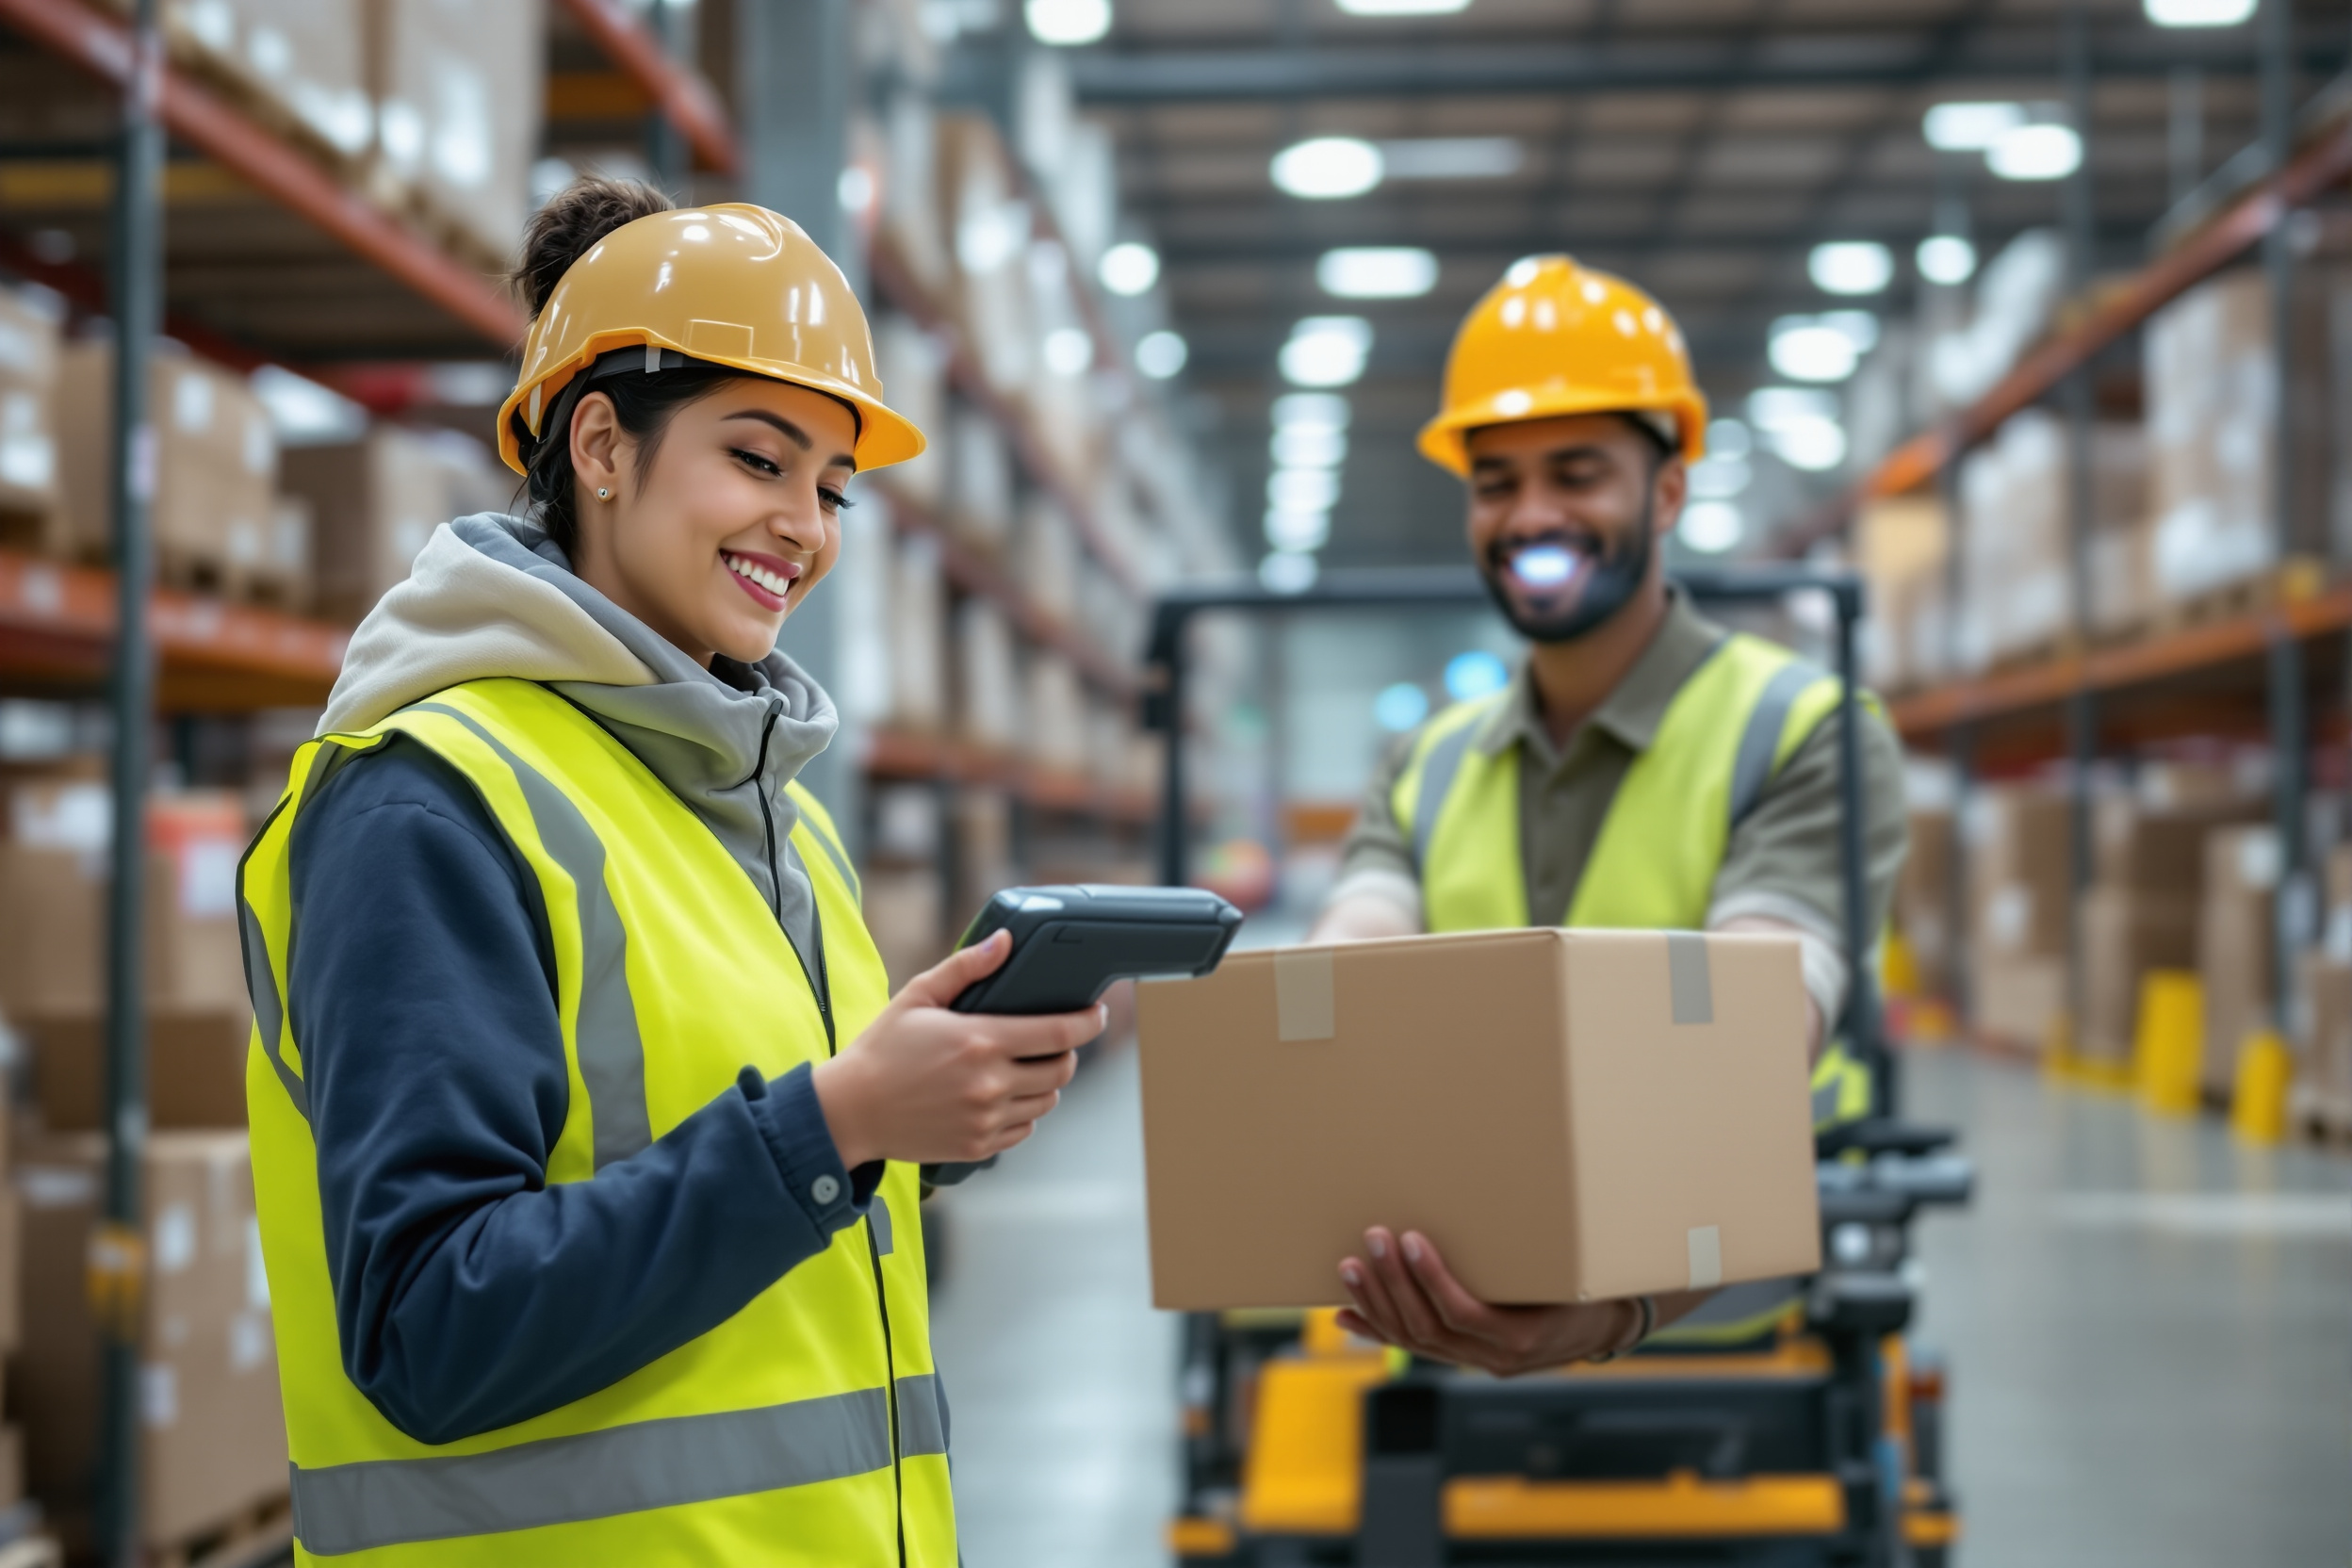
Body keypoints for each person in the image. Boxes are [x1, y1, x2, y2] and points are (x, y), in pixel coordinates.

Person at [239, 178, 1092, 1566]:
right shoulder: (432, 801)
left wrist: (914, 1117)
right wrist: (833, 1124)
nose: (805, 528)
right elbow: (428, 1324)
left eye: (831, 486)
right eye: (757, 461)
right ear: (602, 447)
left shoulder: (768, 810)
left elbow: (732, 1191)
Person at [1308, 255, 1907, 1378]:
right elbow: (1345, 994)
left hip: (1722, 1328)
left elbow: (1759, 1037)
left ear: (1668, 490)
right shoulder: (1425, 762)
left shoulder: (1804, 729)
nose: (1531, 515)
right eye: (1496, 481)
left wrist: (1613, 1307)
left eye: (1576, 473)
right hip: (1449, 1314)